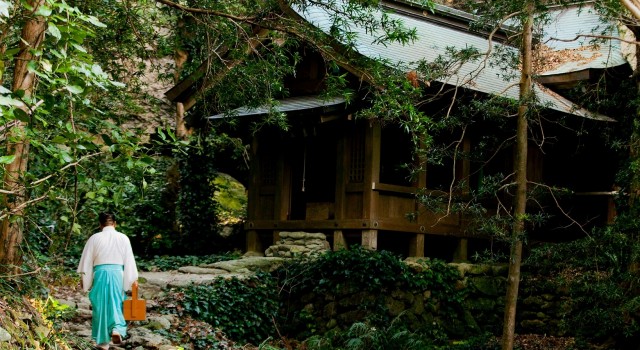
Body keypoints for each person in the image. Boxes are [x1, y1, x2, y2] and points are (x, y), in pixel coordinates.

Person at [77, 212, 139, 350]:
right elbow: (129, 260)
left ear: (100, 225)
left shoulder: (94, 238)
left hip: (100, 274)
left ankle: (103, 342)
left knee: (100, 306)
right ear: (115, 224)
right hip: (118, 274)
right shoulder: (123, 238)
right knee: (117, 303)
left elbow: (87, 261)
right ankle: (117, 329)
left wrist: (85, 281)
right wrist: (133, 279)